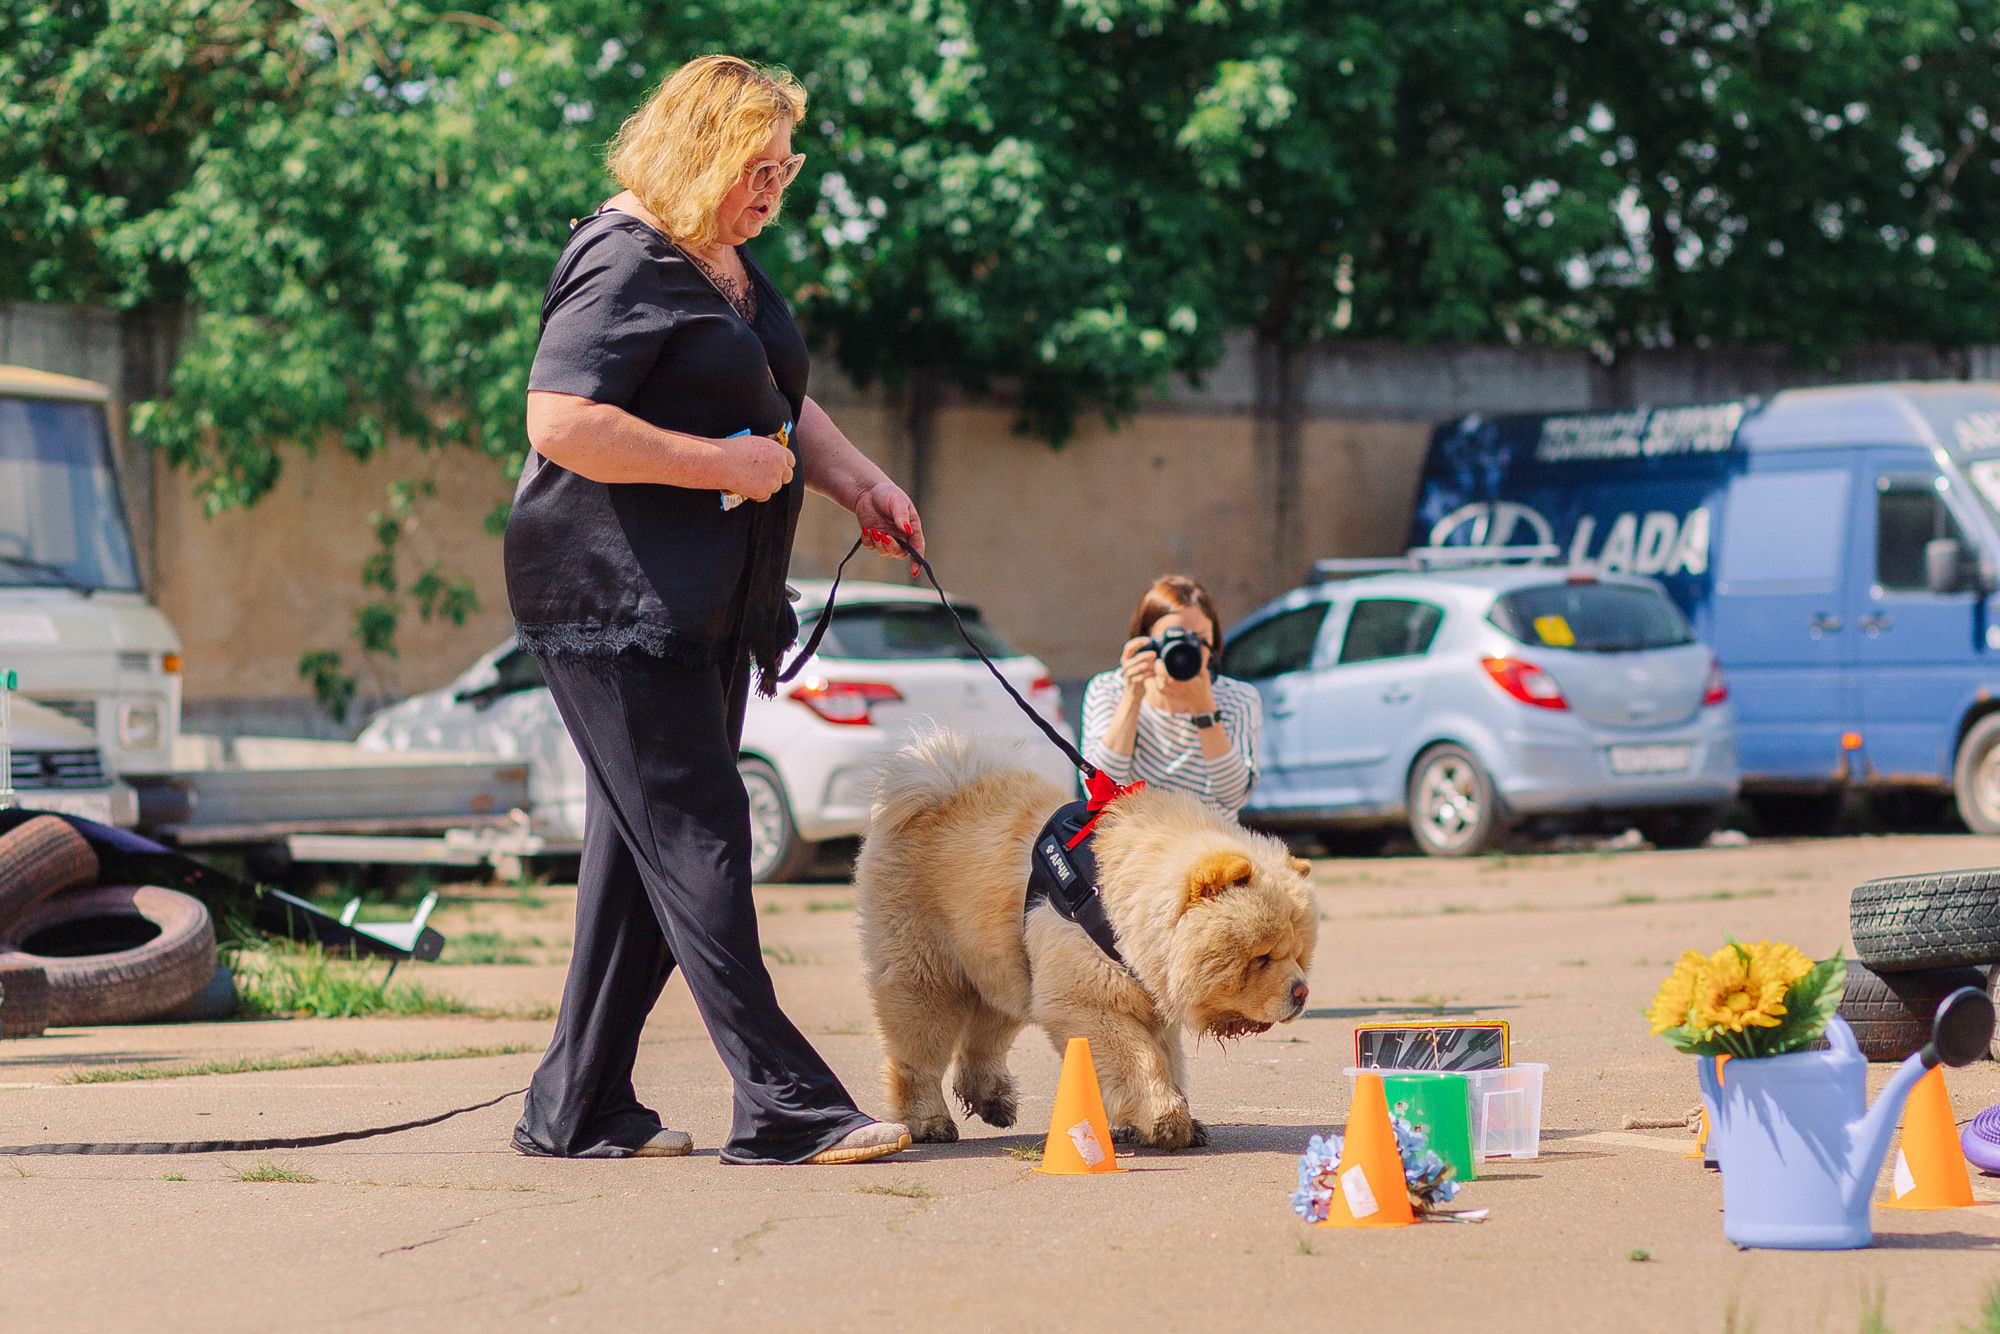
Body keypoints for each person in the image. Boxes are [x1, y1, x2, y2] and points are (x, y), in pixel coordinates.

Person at [506, 56, 920, 1165]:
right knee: (698, 829)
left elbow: (778, 401)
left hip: (705, 599)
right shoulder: (618, 254)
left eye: (786, 168)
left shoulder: (721, 260)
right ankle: (783, 1100)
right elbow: (559, 419)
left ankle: (576, 1103)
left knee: (641, 847)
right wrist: (714, 464)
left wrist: (861, 483)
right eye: (757, 167)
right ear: (697, 151)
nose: (773, 189)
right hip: (609, 598)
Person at [1080, 576, 1261, 814]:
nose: (1186, 652)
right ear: (1145, 642)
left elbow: (1234, 797)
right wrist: (1132, 696)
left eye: (1199, 640)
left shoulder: (1238, 699)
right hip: (1136, 842)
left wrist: (1204, 708)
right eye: (1172, 640)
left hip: (1210, 843)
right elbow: (1099, 791)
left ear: (1215, 640)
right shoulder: (1109, 689)